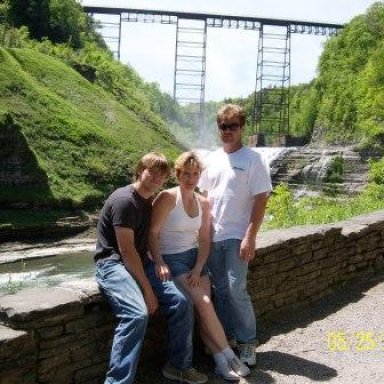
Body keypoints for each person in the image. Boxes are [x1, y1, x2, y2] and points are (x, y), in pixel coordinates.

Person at [148, 151, 250, 382]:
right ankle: (228, 356)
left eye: (195, 174)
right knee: (204, 303)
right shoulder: (166, 198)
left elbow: (204, 239)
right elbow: (152, 234)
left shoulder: (203, 202)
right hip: (172, 259)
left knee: (206, 309)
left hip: (195, 259)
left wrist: (198, 267)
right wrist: (160, 261)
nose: (191, 178)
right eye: (186, 173)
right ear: (178, 174)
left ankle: (219, 362)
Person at [198, 104, 272, 367]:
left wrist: (250, 236)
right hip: (212, 236)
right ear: (218, 128)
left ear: (242, 128)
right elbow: (205, 198)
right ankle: (224, 339)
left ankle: (248, 343)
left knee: (235, 289)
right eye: (223, 126)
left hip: (237, 235)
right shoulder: (211, 159)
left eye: (233, 126)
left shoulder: (253, 159)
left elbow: (261, 199)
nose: (227, 131)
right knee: (220, 290)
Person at [94, 152, 170, 384]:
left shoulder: (148, 200)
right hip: (112, 264)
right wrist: (147, 290)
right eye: (152, 171)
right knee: (136, 314)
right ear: (140, 171)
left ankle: (180, 365)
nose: (156, 177)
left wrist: (159, 262)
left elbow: (147, 239)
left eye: (162, 174)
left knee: (181, 301)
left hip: (138, 261)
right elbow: (126, 251)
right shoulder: (125, 201)